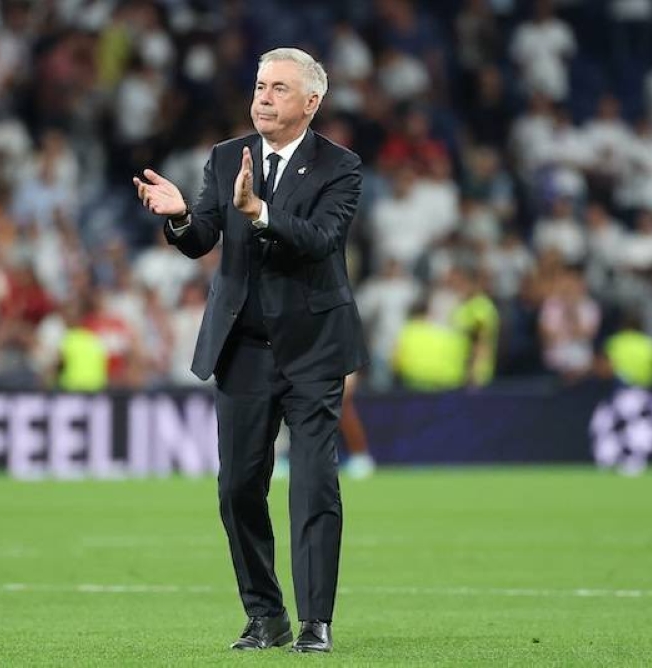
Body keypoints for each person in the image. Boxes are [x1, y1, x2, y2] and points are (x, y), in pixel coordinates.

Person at [134, 47, 366, 653]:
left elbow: (321, 241)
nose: (263, 97)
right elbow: (204, 235)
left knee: (313, 484)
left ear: (311, 103)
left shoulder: (340, 167)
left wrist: (260, 212)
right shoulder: (223, 157)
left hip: (313, 348)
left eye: (279, 89)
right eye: (260, 85)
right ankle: (265, 616)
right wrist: (182, 215)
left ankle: (316, 622)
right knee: (237, 487)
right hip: (243, 348)